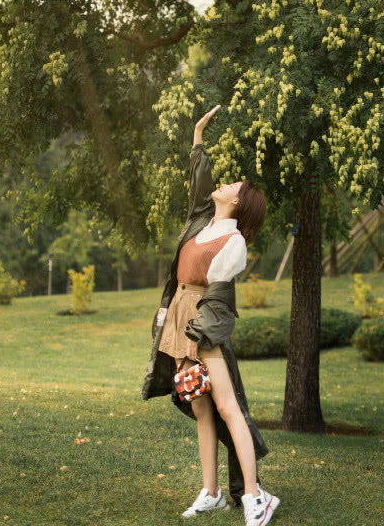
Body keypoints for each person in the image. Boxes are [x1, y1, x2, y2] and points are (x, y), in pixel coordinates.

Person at [142, 104, 280, 526]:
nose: (223, 182)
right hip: (180, 315)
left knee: (227, 407)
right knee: (201, 409)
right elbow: (199, 186)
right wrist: (198, 136)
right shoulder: (202, 220)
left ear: (237, 200)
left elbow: (219, 299)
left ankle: (256, 497)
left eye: (231, 183)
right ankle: (212, 492)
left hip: (203, 324)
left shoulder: (234, 241)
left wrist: (199, 334)